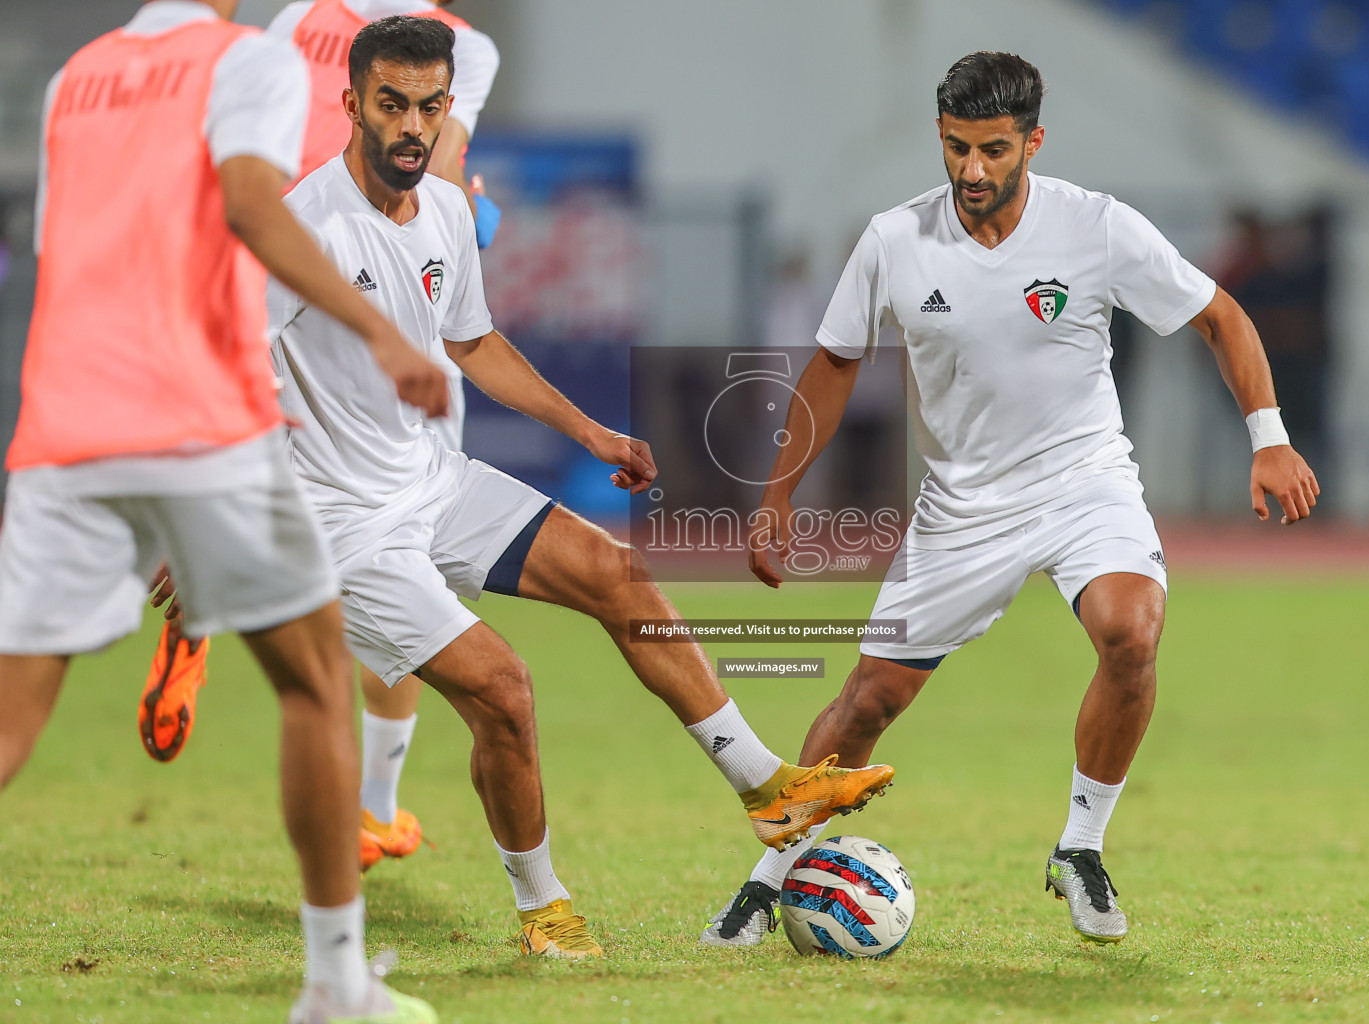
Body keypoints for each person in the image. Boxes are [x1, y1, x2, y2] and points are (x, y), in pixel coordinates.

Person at [270, 16, 895, 958]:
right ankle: (542, 908)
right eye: (390, 104)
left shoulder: (441, 210)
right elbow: (221, 365)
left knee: (618, 574)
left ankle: (768, 790)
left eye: (429, 109)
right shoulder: (301, 228)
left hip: (431, 482)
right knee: (504, 692)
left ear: (448, 113)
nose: (411, 126)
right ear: (350, 103)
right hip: (346, 529)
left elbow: (473, 343)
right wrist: (203, 519)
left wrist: (592, 430)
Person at [699, 51, 1319, 949]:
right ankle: (770, 878)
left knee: (1131, 633)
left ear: (1034, 140)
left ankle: (1081, 846)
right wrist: (778, 494)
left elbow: (1220, 314)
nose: (972, 171)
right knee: (869, 702)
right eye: (955, 149)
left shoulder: (1096, 228)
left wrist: (1270, 439)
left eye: (993, 149)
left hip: (1084, 479)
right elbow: (835, 363)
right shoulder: (894, 240)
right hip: (962, 506)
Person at [0, 2, 449, 1021]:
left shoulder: (79, 73)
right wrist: (378, 332)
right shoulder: (250, 61)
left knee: (11, 721)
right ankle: (336, 984)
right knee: (312, 679)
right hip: (199, 424)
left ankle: (190, 620)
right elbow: (250, 203)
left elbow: (58, 242)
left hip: (63, 424)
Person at [135, 0, 505, 880]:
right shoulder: (464, 48)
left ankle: (208, 588)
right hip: (335, 277)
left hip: (290, 272)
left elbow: (236, 129)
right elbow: (435, 169)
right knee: (399, 543)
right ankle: (371, 808)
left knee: (341, 520)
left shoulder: (301, 15)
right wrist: (475, 217)